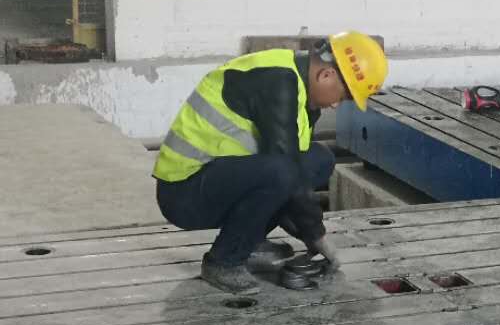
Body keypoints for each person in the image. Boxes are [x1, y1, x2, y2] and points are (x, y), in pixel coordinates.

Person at [153, 31, 388, 293]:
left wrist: (304, 228)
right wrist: (315, 234)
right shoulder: (278, 82)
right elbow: (286, 171)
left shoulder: (300, 86)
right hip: (184, 193)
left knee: (319, 160)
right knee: (281, 171)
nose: (335, 105)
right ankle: (223, 261)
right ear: (326, 75)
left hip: (217, 178)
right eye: (343, 97)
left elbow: (296, 174)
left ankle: (249, 242)